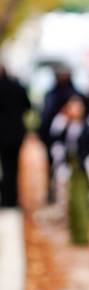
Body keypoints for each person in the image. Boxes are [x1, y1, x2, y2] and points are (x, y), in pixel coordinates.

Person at [0, 65, 31, 207]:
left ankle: (7, 198)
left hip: (6, 134)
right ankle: (11, 198)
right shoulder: (16, 86)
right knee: (12, 168)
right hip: (15, 134)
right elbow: (27, 106)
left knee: (7, 167)